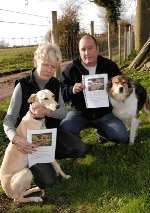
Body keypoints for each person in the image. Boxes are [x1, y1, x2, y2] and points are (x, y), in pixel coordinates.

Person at [3, 42, 88, 189]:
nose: (49, 70)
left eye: (53, 66)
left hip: (52, 134)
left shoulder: (55, 83)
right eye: (46, 64)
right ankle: (27, 164)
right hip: (29, 141)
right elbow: (8, 120)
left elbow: (63, 113)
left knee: (80, 149)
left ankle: (49, 155)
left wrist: (48, 112)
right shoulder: (22, 86)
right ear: (36, 61)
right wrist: (15, 139)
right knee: (49, 181)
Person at [60, 34, 129, 145]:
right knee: (65, 129)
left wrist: (114, 89)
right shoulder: (71, 69)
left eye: (90, 48)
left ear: (97, 49)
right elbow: (60, 92)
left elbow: (123, 87)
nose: (87, 53)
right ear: (79, 51)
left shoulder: (109, 66)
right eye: (83, 49)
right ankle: (77, 144)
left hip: (104, 113)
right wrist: (71, 89)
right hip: (79, 113)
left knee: (122, 137)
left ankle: (102, 132)